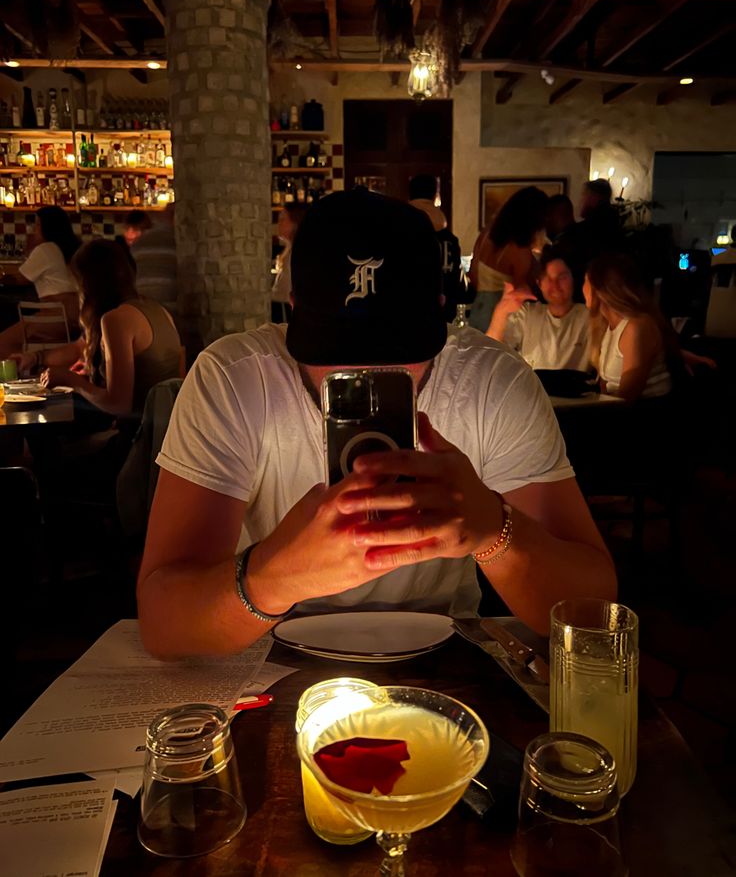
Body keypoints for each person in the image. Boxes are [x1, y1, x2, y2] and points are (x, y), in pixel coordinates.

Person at [138, 189, 616, 660]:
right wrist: (271, 577)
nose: (368, 372)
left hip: (443, 661)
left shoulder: (493, 382)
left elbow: (593, 612)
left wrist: (494, 531)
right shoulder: (234, 379)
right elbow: (164, 624)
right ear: (291, 307)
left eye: (396, 350)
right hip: (263, 657)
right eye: (337, 352)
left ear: (443, 309)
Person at [16, 238, 182, 417]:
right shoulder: (158, 310)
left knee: (39, 411)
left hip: (137, 430)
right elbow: (79, 347)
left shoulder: (115, 320)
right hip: (166, 426)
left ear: (89, 284)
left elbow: (119, 404)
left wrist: (72, 381)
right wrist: (35, 358)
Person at [583, 254, 673, 402]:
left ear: (601, 288)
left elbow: (628, 396)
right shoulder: (608, 326)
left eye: (585, 280)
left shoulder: (636, 327)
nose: (582, 288)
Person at [487, 252, 590, 372]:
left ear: (573, 278)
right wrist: (501, 311)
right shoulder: (527, 313)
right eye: (547, 278)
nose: (555, 285)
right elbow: (491, 351)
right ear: (539, 283)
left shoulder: (589, 317)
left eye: (562, 277)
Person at [0, 206, 80, 357]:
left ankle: (20, 373)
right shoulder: (70, 248)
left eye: (37, 225)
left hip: (56, 319)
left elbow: (19, 279)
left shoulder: (46, 248)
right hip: (76, 319)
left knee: (3, 343)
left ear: (47, 227)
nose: (33, 229)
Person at [468, 186, 548, 332]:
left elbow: (473, 274)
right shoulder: (519, 250)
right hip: (500, 314)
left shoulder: (486, 234)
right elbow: (521, 292)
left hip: (478, 308)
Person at [409, 173, 464, 322]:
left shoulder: (402, 234)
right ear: (434, 195)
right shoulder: (450, 240)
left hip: (411, 312)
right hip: (444, 314)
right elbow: (454, 279)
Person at [556, 179, 624, 295]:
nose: (581, 201)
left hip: (589, 292)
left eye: (584, 196)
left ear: (594, 197)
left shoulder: (586, 231)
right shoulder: (615, 227)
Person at [123, 207, 178, 320]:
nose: (130, 234)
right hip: (171, 305)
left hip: (143, 307)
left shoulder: (138, 246)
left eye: (135, 230)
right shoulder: (176, 241)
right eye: (128, 229)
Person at [271, 203, 306, 323]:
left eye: (283, 219)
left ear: (295, 222)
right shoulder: (289, 249)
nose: (278, 224)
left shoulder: (298, 252)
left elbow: (285, 289)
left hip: (286, 310)